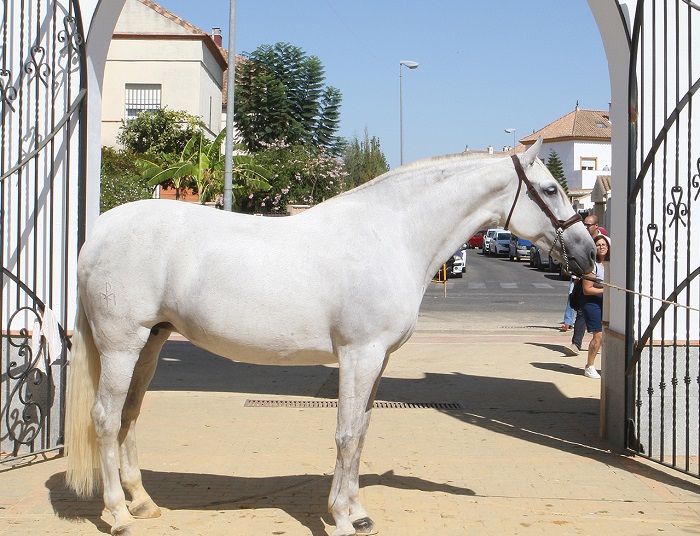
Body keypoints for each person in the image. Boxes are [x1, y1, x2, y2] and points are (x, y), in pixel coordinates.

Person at [563, 215, 604, 346]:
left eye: (588, 225)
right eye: (584, 224)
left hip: (600, 279)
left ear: (596, 226)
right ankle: (576, 343)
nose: (585, 227)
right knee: (580, 309)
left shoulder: (604, 241)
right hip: (583, 277)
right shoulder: (581, 240)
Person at [579, 234, 610, 378]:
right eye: (598, 245)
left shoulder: (610, 264)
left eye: (604, 245)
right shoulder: (592, 266)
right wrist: (607, 290)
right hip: (592, 302)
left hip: (606, 301)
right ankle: (589, 366)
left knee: (606, 335)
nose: (601, 247)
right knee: (598, 335)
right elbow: (587, 289)